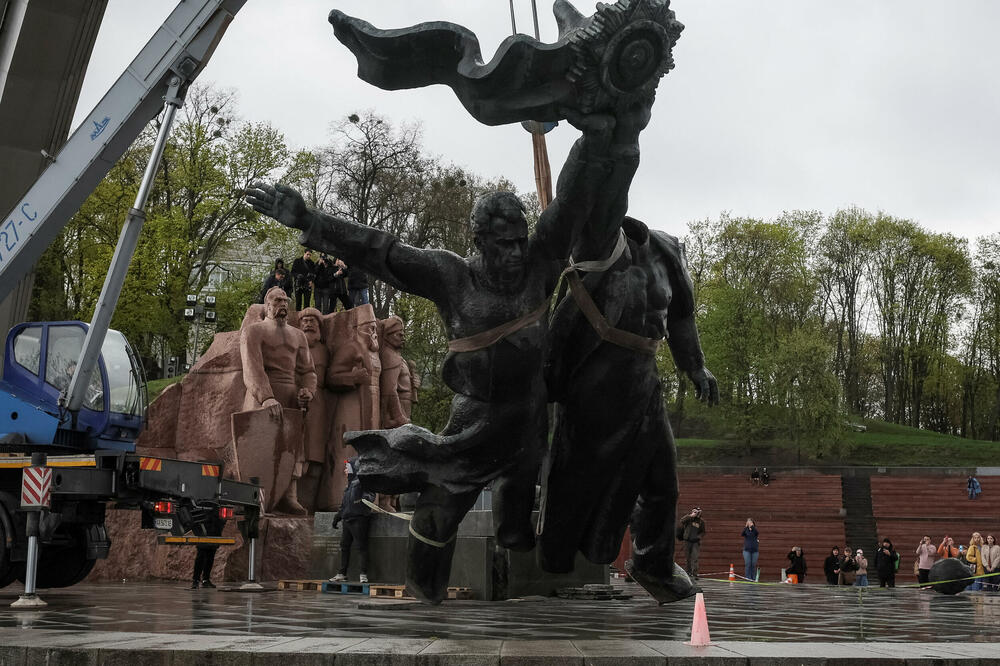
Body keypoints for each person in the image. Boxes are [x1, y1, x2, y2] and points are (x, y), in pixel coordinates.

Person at [246, 95, 649, 604]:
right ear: (480, 240)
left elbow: (572, 199)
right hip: (474, 420)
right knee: (437, 517)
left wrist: (595, 134)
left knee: (518, 520)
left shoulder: (542, 261)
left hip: (527, 417)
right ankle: (425, 598)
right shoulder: (451, 276)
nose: (516, 252)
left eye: (520, 241)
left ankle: (519, 540)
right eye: (504, 243)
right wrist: (312, 221)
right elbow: (381, 250)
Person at [239, 287, 317, 514]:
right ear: (267, 305)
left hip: (291, 397)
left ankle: (288, 496)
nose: (282, 304)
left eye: (286, 300)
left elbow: (308, 371)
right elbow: (252, 367)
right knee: (261, 445)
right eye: (277, 300)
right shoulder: (254, 332)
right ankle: (255, 497)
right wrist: (266, 398)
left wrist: (308, 392)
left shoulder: (298, 335)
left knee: (291, 447)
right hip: (261, 397)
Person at [330, 458, 375, 584]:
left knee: (361, 546)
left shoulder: (362, 481)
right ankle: (341, 573)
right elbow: (344, 504)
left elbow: (370, 495)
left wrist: (363, 500)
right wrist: (338, 516)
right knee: (344, 546)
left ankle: (363, 574)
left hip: (359, 518)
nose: (345, 470)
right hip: (347, 519)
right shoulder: (349, 485)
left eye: (347, 468)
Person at [191, 509, 225, 589]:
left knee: (210, 555)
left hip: (214, 527)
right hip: (205, 526)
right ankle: (196, 580)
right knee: (201, 555)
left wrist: (221, 524)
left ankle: (205, 580)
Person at [679, 508, 706, 579]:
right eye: (694, 512)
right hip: (687, 541)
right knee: (687, 558)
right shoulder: (689, 519)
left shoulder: (701, 522)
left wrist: (698, 537)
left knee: (695, 558)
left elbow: (703, 532)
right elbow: (682, 520)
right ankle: (688, 572)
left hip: (695, 542)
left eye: (697, 512)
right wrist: (691, 516)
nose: (696, 513)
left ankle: (695, 574)